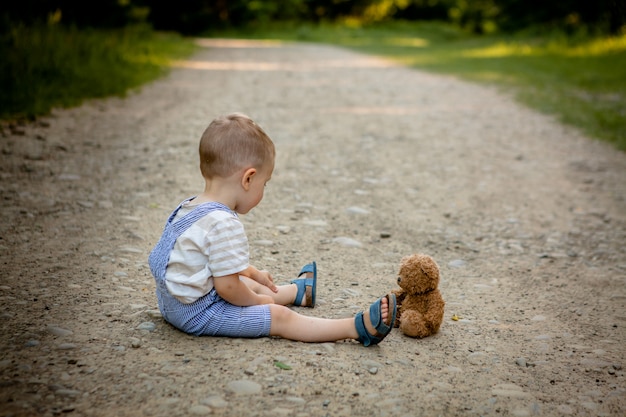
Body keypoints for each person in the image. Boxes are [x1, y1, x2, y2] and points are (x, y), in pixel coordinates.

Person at [148, 113, 396, 346]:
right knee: (278, 316)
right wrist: (257, 302)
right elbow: (227, 288)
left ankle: (298, 291)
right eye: (264, 184)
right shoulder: (223, 222)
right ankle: (355, 328)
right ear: (248, 179)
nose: (263, 191)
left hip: (173, 302)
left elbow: (202, 261)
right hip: (197, 313)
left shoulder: (190, 207)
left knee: (245, 280)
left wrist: (251, 272)